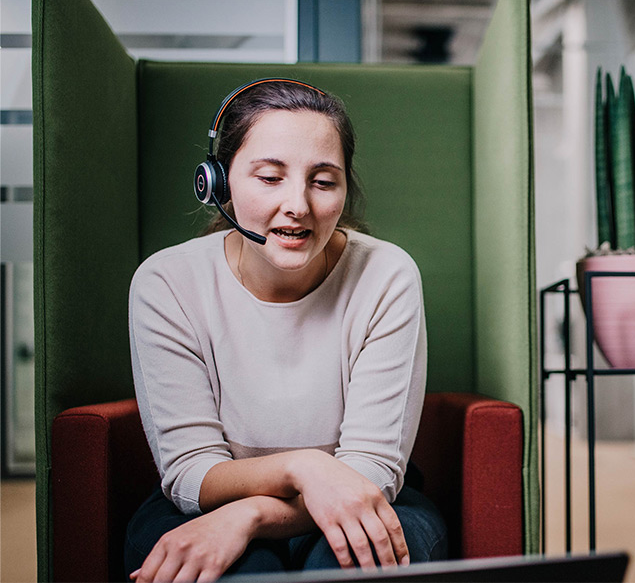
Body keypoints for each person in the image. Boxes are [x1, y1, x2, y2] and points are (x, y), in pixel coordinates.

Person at [124, 79, 447, 583]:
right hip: (204, 506)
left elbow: (372, 472)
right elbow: (190, 471)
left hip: (362, 497)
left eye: (323, 181)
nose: (298, 204)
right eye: (270, 177)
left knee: (340, 570)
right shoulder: (167, 282)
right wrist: (305, 468)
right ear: (219, 182)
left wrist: (250, 516)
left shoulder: (386, 275)